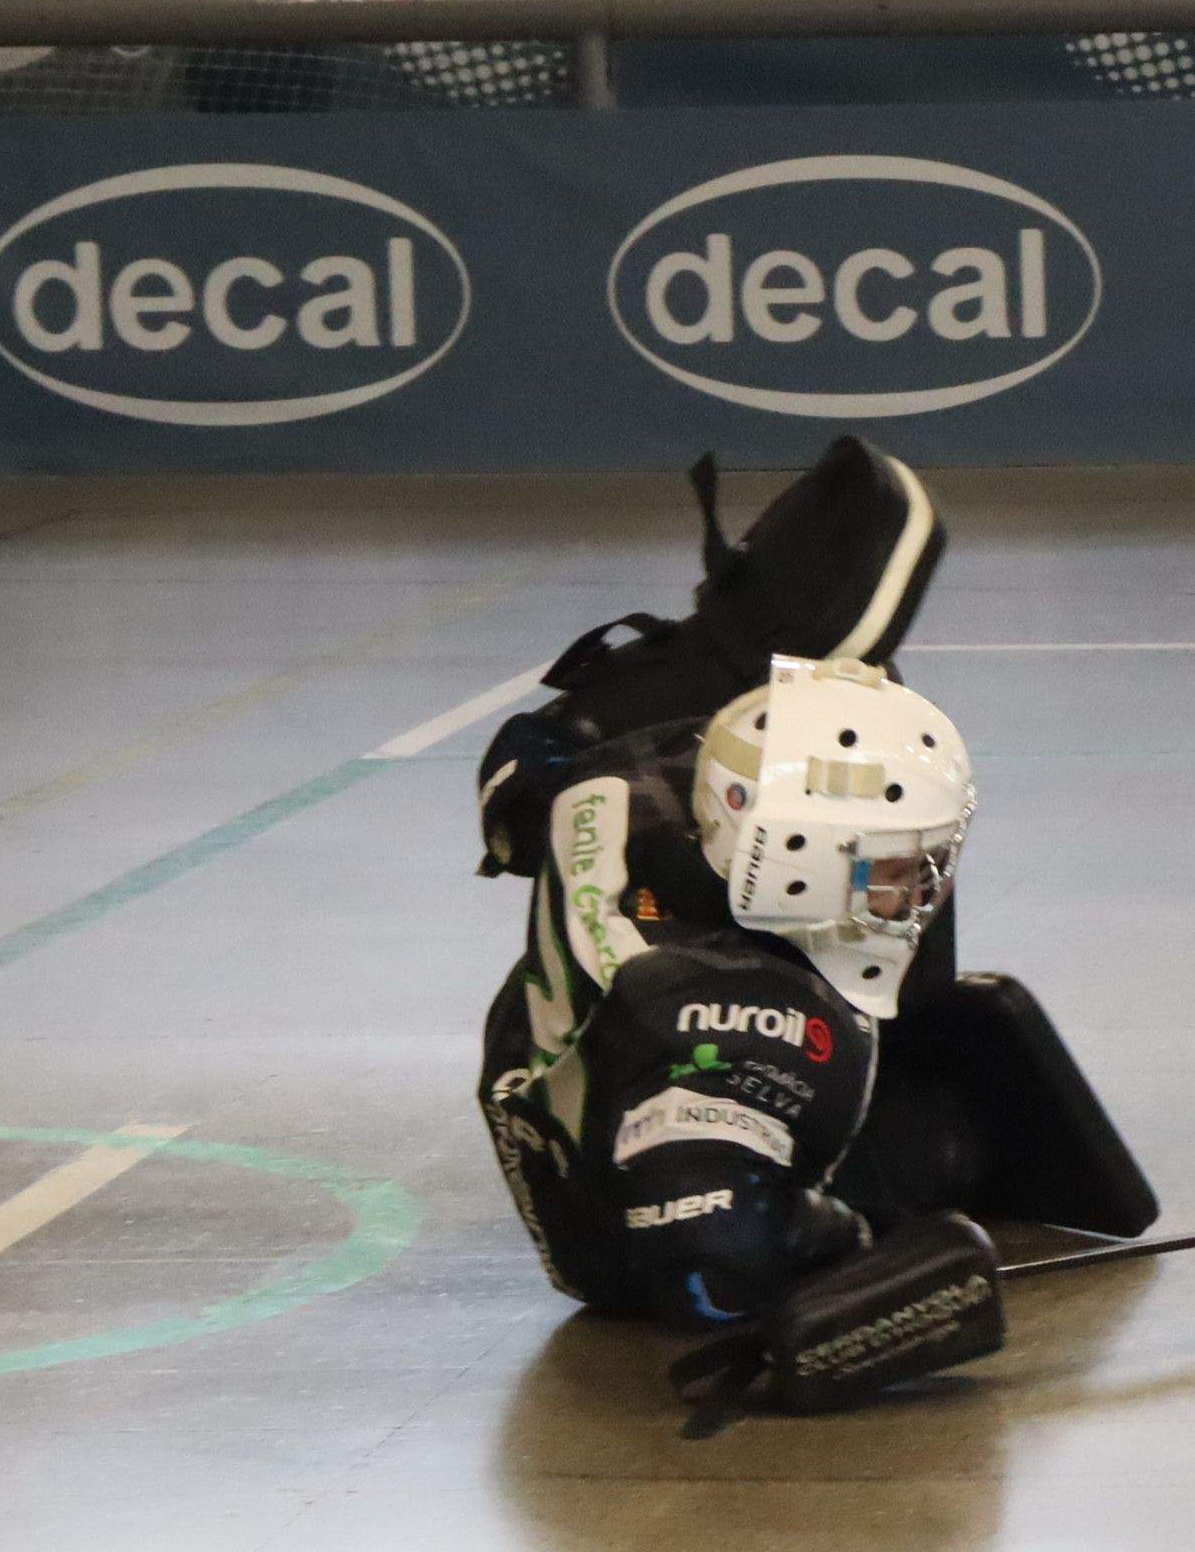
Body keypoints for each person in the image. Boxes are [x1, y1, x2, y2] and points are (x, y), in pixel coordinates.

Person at [473, 440, 1154, 1398]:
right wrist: (864, 1245)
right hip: (613, 1232)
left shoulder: (639, 777)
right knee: (943, 1147)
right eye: (890, 868)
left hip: (559, 1060)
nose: (915, 891)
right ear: (790, 860)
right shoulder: (738, 1015)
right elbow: (710, 1277)